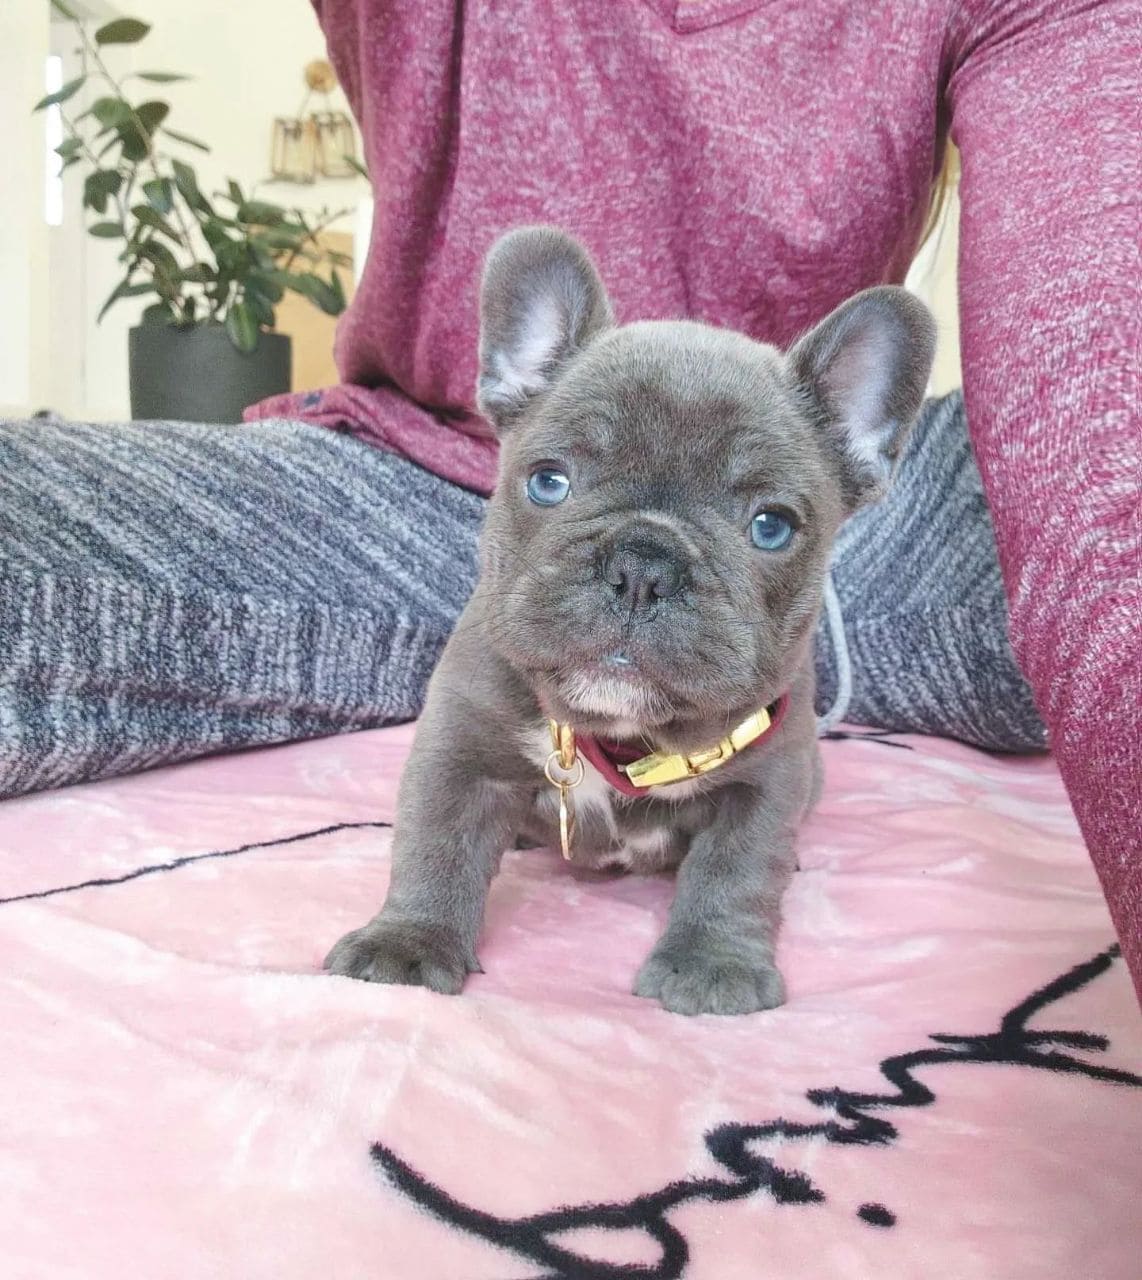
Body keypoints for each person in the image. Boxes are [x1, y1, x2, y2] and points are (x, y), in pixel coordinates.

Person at [0, 0, 1137, 995]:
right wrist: (423, 915)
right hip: (397, 477)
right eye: (556, 476)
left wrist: (725, 925)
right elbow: (456, 758)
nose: (638, 578)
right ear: (512, 372)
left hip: (821, 592)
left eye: (764, 520)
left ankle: (726, 538)